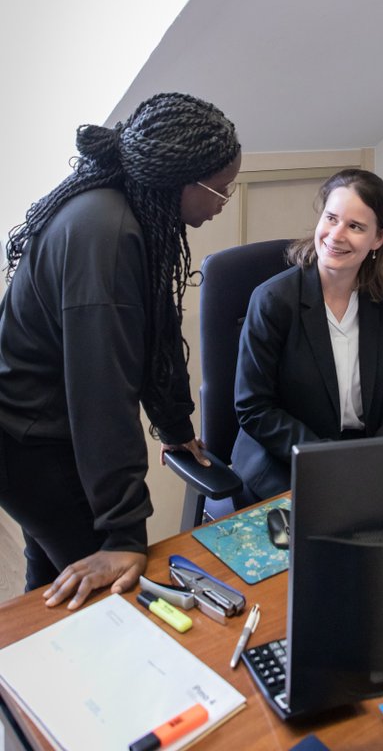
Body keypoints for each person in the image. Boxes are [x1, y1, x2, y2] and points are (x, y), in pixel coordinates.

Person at [0, 92, 241, 608]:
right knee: (102, 596)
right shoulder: (105, 235)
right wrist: (125, 536)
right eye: (219, 190)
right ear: (179, 179)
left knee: (51, 587)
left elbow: (156, 332)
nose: (223, 203)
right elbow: (102, 395)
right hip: (28, 439)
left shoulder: (133, 209)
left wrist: (177, 429)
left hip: (43, 425)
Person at [232, 168, 383, 500]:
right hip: (285, 464)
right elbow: (253, 407)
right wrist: (327, 460)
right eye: (331, 218)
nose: (337, 234)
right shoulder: (274, 301)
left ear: (378, 239)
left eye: (355, 226)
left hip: (359, 458)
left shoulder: (382, 298)